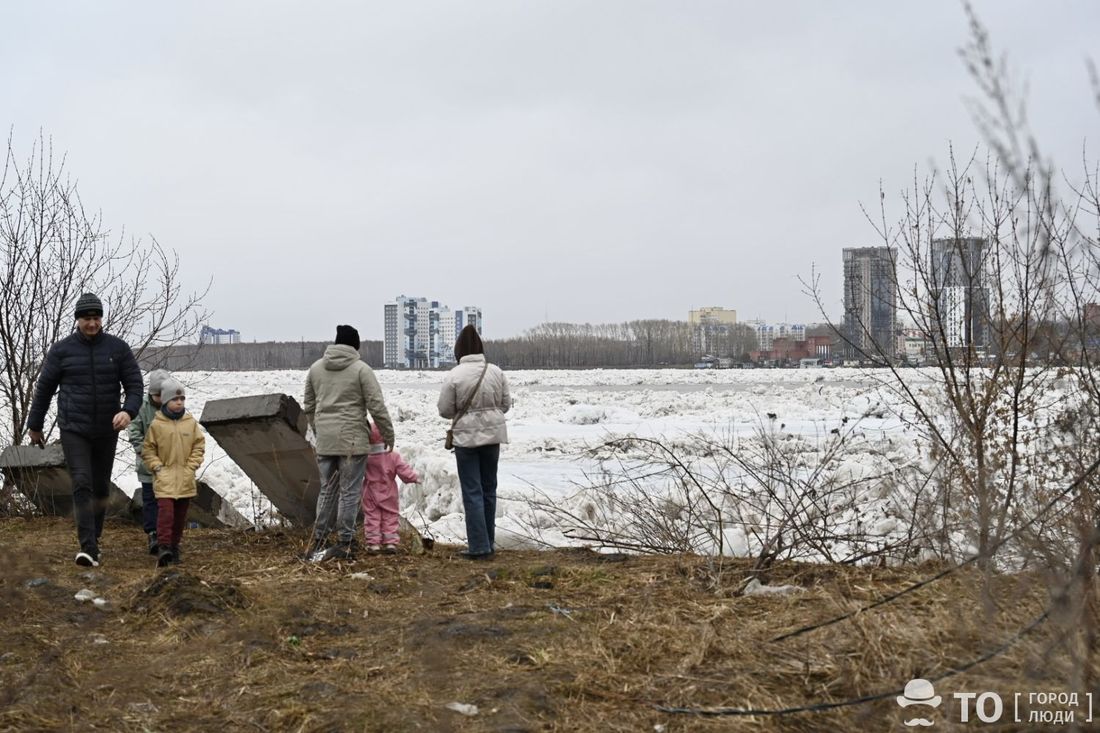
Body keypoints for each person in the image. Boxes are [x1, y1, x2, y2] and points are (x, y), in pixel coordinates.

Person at [27, 293, 144, 567]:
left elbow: (135, 386)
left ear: (101, 319)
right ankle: (88, 547)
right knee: (82, 481)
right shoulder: (62, 350)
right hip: (74, 428)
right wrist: (35, 424)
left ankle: (96, 540)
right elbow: (44, 389)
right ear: (78, 320)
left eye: (95, 318)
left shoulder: (118, 348)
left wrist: (128, 411)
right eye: (86, 319)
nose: (91, 323)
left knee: (101, 488)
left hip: (107, 428)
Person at [302, 325, 395, 561]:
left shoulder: (315, 369)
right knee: (349, 492)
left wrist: (318, 428)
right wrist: (388, 434)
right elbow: (376, 405)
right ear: (356, 346)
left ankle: (320, 537)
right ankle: (346, 540)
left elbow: (309, 406)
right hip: (353, 441)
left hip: (325, 441)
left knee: (327, 489)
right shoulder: (361, 370)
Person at [437, 324, 511, 560]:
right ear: (480, 347)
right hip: (493, 438)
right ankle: (488, 543)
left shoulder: (454, 376)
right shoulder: (496, 372)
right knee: (489, 490)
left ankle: (478, 546)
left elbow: (445, 410)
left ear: (459, 350)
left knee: (472, 492)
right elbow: (505, 404)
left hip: (466, 441)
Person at [141, 377, 205, 567]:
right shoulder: (157, 424)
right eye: (175, 399)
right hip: (165, 478)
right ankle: (164, 547)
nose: (179, 402)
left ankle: (175, 547)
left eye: (182, 399)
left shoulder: (190, 423)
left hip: (185, 478)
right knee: (166, 514)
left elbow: (198, 446)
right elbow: (148, 449)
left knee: (179, 517)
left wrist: (192, 465)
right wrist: (157, 467)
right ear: (166, 401)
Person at [129, 369, 170, 555]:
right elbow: (134, 432)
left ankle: (166, 537)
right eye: (157, 395)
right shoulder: (141, 408)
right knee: (150, 501)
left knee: (167, 501)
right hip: (148, 466)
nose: (161, 399)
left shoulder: (174, 407)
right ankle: (152, 534)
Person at [362, 424, 420, 554]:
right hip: (389, 493)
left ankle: (373, 544)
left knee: (372, 517)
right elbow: (403, 470)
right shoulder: (393, 456)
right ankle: (390, 543)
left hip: (369, 492)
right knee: (390, 517)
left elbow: (356, 472)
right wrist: (414, 477)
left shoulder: (365, 456)